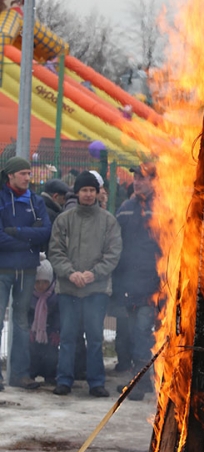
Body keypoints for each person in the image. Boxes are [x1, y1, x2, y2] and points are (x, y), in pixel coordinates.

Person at [49, 171, 122, 397]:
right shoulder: (64, 219)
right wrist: (71, 274)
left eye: (92, 190)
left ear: (98, 192)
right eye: (84, 190)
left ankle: (96, 382)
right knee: (68, 336)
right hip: (69, 289)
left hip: (96, 289)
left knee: (95, 337)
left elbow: (113, 253)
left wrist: (93, 274)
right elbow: (55, 250)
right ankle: (64, 380)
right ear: (77, 192)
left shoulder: (109, 221)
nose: (89, 194)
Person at [0, 156, 52, 391]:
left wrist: (17, 232)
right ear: (10, 175)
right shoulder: (1, 198)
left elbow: (45, 232)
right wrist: (28, 238)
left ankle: (20, 374)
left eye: (29, 174)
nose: (28, 178)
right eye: (23, 173)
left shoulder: (37, 201)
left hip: (27, 269)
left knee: (21, 322)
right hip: (3, 268)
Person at [113, 163, 162, 401]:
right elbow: (116, 243)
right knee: (132, 333)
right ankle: (138, 378)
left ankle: (142, 383)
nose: (138, 181)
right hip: (129, 285)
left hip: (153, 285)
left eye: (143, 178)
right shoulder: (125, 208)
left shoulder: (163, 209)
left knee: (143, 333)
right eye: (135, 177)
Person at [28, 256, 60, 384]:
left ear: (51, 281)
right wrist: (29, 328)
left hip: (50, 331)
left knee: (51, 354)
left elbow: (59, 314)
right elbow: (28, 314)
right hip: (34, 331)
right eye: (38, 282)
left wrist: (56, 330)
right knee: (32, 352)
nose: (41, 286)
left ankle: (50, 375)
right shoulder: (30, 297)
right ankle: (32, 373)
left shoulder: (55, 297)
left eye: (45, 282)